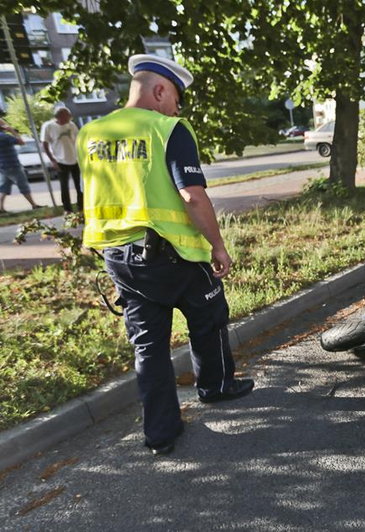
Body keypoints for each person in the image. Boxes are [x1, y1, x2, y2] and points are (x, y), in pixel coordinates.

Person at [77, 54, 254, 456]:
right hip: (175, 256)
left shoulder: (91, 133)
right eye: (177, 98)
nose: (178, 107)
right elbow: (191, 195)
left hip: (120, 259)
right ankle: (216, 386)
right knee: (208, 317)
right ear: (160, 90)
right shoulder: (167, 128)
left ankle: (160, 433)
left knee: (148, 345)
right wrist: (218, 246)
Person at [41, 106, 82, 213]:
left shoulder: (72, 125)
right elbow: (44, 144)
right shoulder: (48, 126)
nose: (69, 119)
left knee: (80, 185)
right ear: (60, 116)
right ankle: (67, 209)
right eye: (67, 117)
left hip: (75, 159)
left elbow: (78, 140)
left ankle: (81, 207)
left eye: (69, 117)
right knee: (64, 186)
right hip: (60, 160)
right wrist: (52, 160)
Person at [0, 118, 43, 214]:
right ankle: (34, 205)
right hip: (12, 164)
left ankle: (1, 208)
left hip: (2, 166)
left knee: (4, 187)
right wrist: (11, 131)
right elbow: (21, 142)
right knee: (23, 185)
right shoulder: (4, 137)